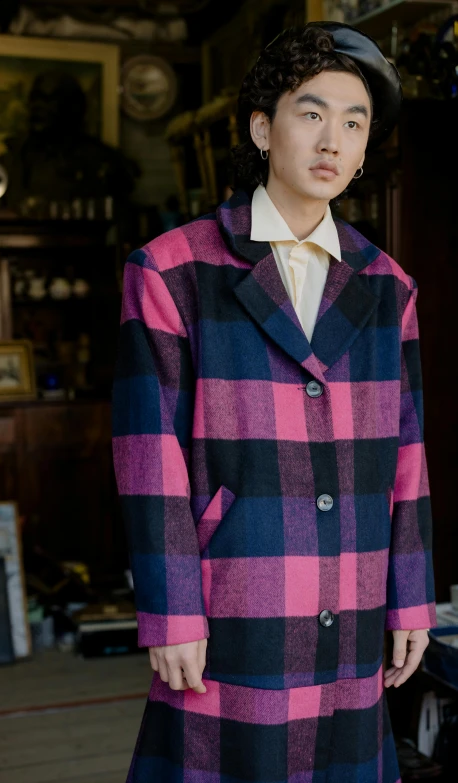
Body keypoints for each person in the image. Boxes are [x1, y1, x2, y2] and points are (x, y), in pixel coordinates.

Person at [112, 21, 437, 782]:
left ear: (364, 152)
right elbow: (146, 453)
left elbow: (409, 450)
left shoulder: (389, 286)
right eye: (312, 113)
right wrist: (170, 609)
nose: (333, 140)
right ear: (263, 126)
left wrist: (412, 598)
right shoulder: (172, 271)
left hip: (351, 594)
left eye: (354, 123)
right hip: (235, 594)